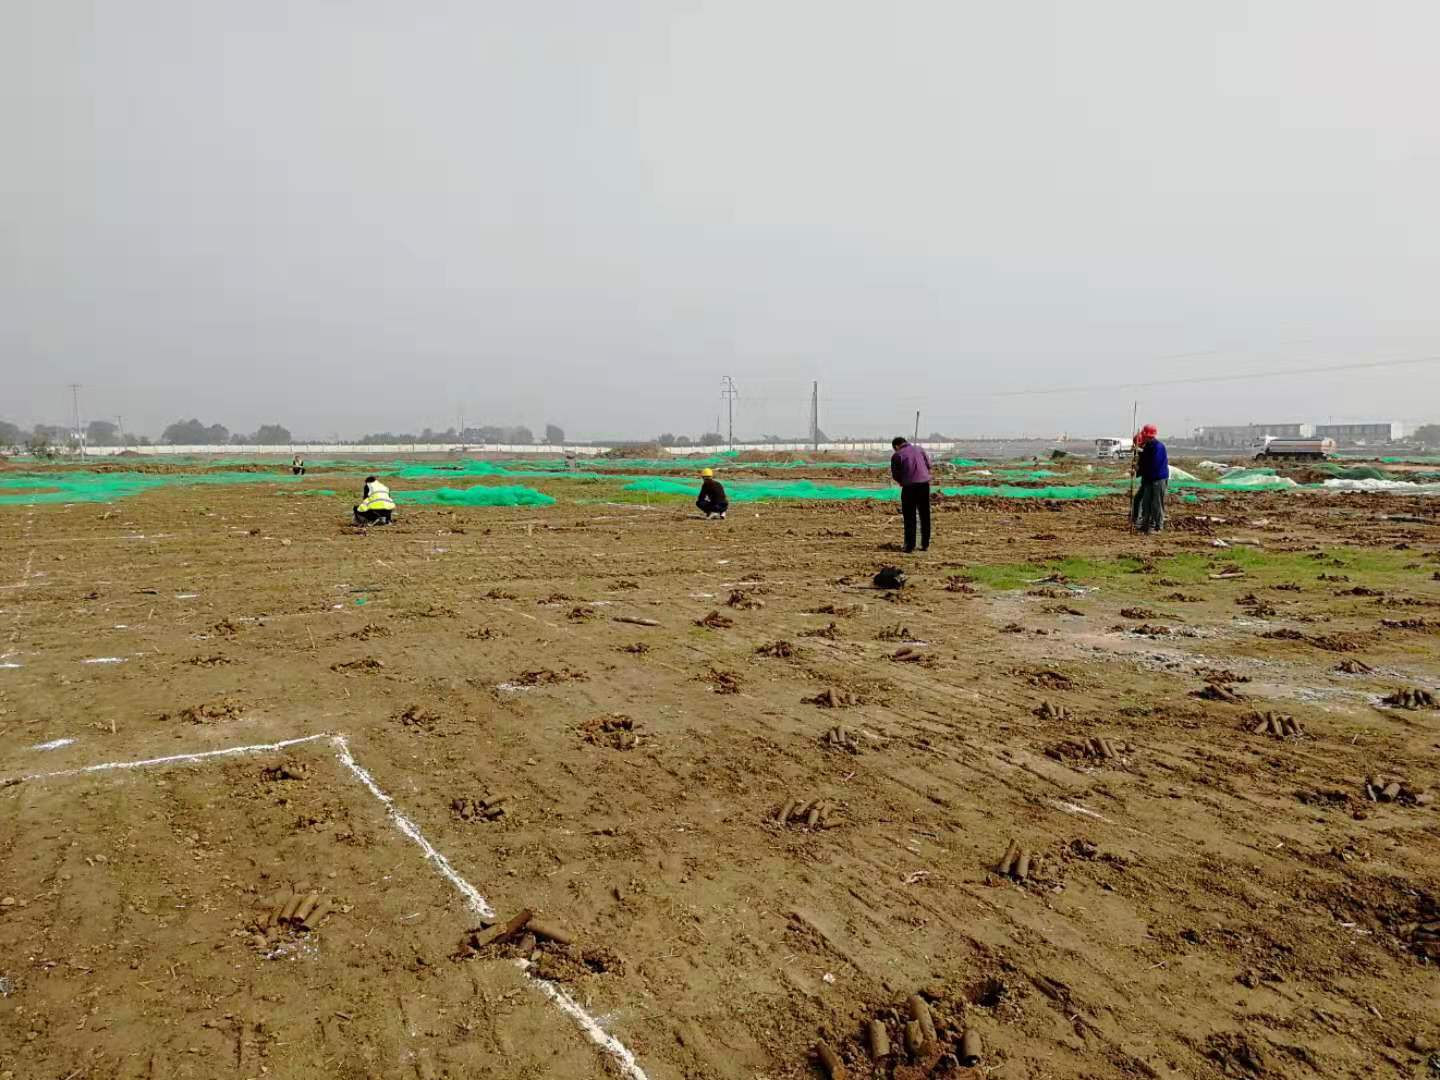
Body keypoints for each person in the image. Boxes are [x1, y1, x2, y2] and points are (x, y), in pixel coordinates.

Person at [890, 436, 933, 552]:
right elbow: (929, 465)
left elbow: (895, 474)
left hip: (909, 487)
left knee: (910, 516)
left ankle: (910, 545)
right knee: (925, 515)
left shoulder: (897, 455)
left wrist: (902, 481)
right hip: (924, 485)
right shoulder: (920, 449)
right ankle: (925, 543)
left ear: (896, 446)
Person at [1131, 425, 1169, 533]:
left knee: (1156, 503)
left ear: (1148, 436)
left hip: (1158, 478)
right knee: (1146, 502)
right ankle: (1145, 525)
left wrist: (1139, 469)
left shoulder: (1158, 447)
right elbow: (1143, 462)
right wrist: (1136, 467)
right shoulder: (1147, 447)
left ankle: (1158, 526)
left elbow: (1153, 464)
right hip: (1149, 479)